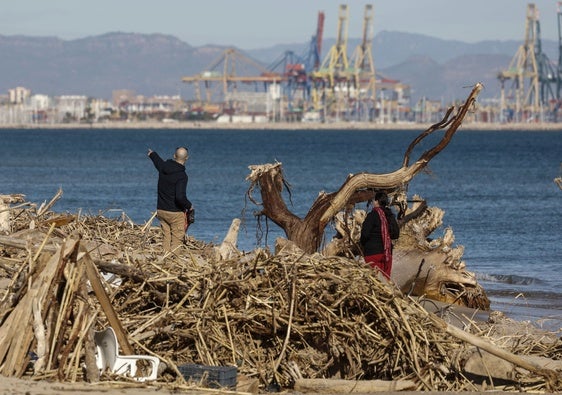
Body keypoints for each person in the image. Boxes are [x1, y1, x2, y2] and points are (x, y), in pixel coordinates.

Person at [148, 146, 193, 253]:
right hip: (175, 213)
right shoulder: (182, 176)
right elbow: (180, 197)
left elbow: (157, 162)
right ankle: (173, 262)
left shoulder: (164, 167)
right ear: (187, 158)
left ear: (174, 156)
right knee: (176, 241)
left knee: (166, 238)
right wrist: (189, 205)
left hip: (161, 211)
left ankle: (164, 260)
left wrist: (152, 154)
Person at [360, 191, 400, 278]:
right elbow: (396, 234)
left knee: (374, 280)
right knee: (385, 282)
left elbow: (364, 234)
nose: (373, 202)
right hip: (387, 254)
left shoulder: (372, 216)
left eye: (374, 200)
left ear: (377, 201)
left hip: (372, 254)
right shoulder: (390, 216)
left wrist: (363, 245)